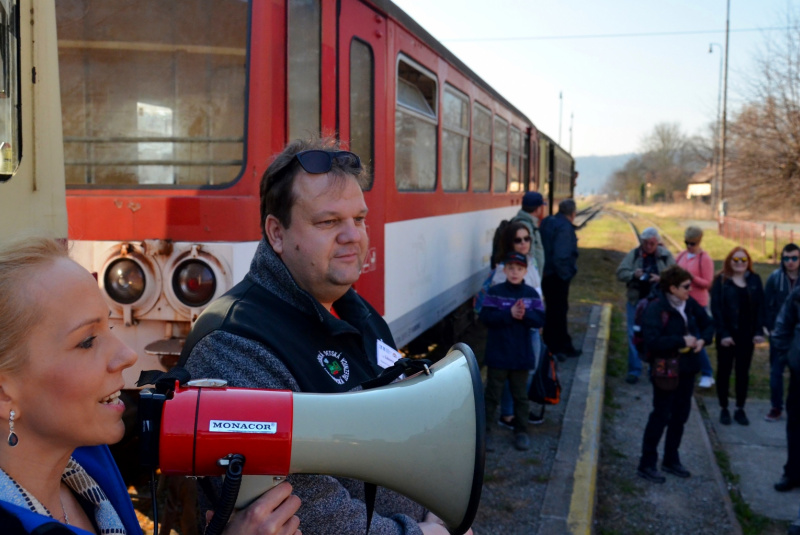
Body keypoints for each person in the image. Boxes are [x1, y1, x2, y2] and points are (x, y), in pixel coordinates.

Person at [183, 138, 462, 535]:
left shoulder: (357, 311)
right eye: (328, 222)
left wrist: (440, 505)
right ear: (277, 233)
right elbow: (306, 509)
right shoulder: (232, 344)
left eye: (359, 219)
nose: (354, 236)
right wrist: (419, 533)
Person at [0, 237, 302, 535]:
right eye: (87, 341)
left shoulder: (88, 464)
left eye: (111, 325)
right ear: (3, 393)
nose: (127, 355)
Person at [636, 266, 714, 483]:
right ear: (672, 288)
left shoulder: (688, 303)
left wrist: (702, 340)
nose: (690, 290)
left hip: (687, 368)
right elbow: (652, 341)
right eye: (686, 287)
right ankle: (647, 463)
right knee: (660, 415)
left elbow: (709, 323)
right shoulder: (656, 308)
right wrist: (681, 341)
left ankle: (671, 458)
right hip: (665, 367)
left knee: (680, 415)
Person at [480, 252, 546, 452]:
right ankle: (485, 433)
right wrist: (509, 314)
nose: (515, 272)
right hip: (498, 354)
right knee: (492, 395)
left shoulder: (531, 294)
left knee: (520, 396)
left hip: (521, 355)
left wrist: (525, 315)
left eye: (519, 269)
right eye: (511, 268)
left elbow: (540, 320)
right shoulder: (495, 292)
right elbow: (485, 318)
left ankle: (521, 432)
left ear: (526, 271)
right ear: (505, 270)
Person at [491, 222, 545, 429]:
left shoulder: (531, 263)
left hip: (532, 326)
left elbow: (538, 292)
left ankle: (516, 410)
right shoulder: (503, 270)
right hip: (514, 330)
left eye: (527, 239)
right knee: (513, 372)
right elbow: (496, 303)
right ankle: (507, 414)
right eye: (518, 239)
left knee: (528, 369)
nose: (523, 243)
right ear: (509, 242)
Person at [710, 247, 766, 426]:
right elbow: (716, 310)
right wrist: (723, 333)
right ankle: (724, 407)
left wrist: (758, 332)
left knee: (743, 372)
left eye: (743, 260)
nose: (739, 263)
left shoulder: (755, 280)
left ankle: (740, 408)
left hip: (746, 335)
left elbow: (760, 309)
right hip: (727, 335)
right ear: (729, 261)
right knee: (724, 371)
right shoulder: (720, 281)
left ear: (748, 262)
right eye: (736, 260)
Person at [616, 227, 675, 384]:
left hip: (657, 303)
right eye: (646, 243)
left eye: (652, 243)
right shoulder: (634, 254)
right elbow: (620, 273)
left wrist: (660, 279)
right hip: (636, 301)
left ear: (657, 242)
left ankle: (654, 369)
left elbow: (677, 277)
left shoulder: (665, 256)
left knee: (656, 336)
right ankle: (634, 370)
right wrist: (633, 275)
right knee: (633, 334)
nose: (649, 246)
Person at [765, 282, 800, 494]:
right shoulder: (797, 296)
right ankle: (793, 473)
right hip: (799, 374)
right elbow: (781, 328)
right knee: (796, 425)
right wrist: (789, 358)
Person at [674, 226, 716, 388]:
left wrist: (692, 277)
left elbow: (708, 283)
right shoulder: (681, 256)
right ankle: (687, 368)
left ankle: (707, 373)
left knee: (698, 338)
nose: (689, 246)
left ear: (698, 242)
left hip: (698, 303)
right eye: (686, 243)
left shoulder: (704, 259)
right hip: (682, 303)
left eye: (692, 243)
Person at [539, 199, 580, 360]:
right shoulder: (564, 227)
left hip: (547, 274)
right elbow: (561, 256)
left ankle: (554, 345)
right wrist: (566, 275)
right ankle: (557, 347)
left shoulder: (549, 221)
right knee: (559, 311)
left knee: (552, 311)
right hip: (557, 276)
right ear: (573, 213)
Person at [764, 243, 800, 422]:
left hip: (798, 336)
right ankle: (776, 407)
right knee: (776, 372)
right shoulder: (775, 278)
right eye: (786, 258)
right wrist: (771, 328)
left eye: (794, 258)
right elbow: (766, 304)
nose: (790, 262)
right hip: (779, 334)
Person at [510, 191, 547, 277]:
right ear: (537, 208)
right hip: (528, 276)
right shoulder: (526, 226)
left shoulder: (526, 223)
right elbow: (530, 253)